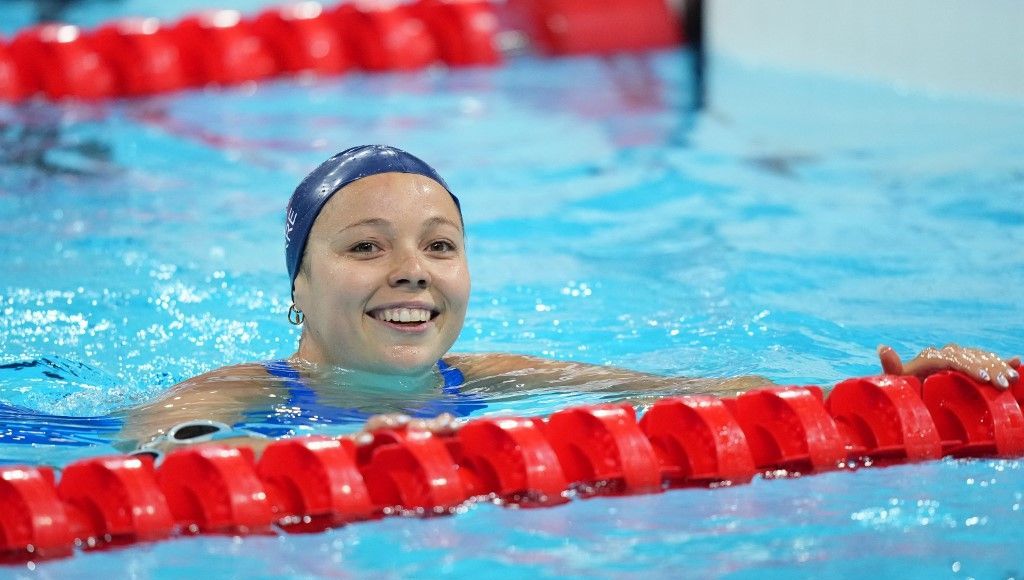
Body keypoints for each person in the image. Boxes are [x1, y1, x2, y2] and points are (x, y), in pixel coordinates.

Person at [119, 145, 1021, 457]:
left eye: (440, 245)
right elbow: (162, 439)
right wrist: (308, 447)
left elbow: (707, 393)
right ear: (300, 293)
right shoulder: (246, 391)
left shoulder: (492, 380)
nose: (412, 269)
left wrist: (879, 396)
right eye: (364, 246)